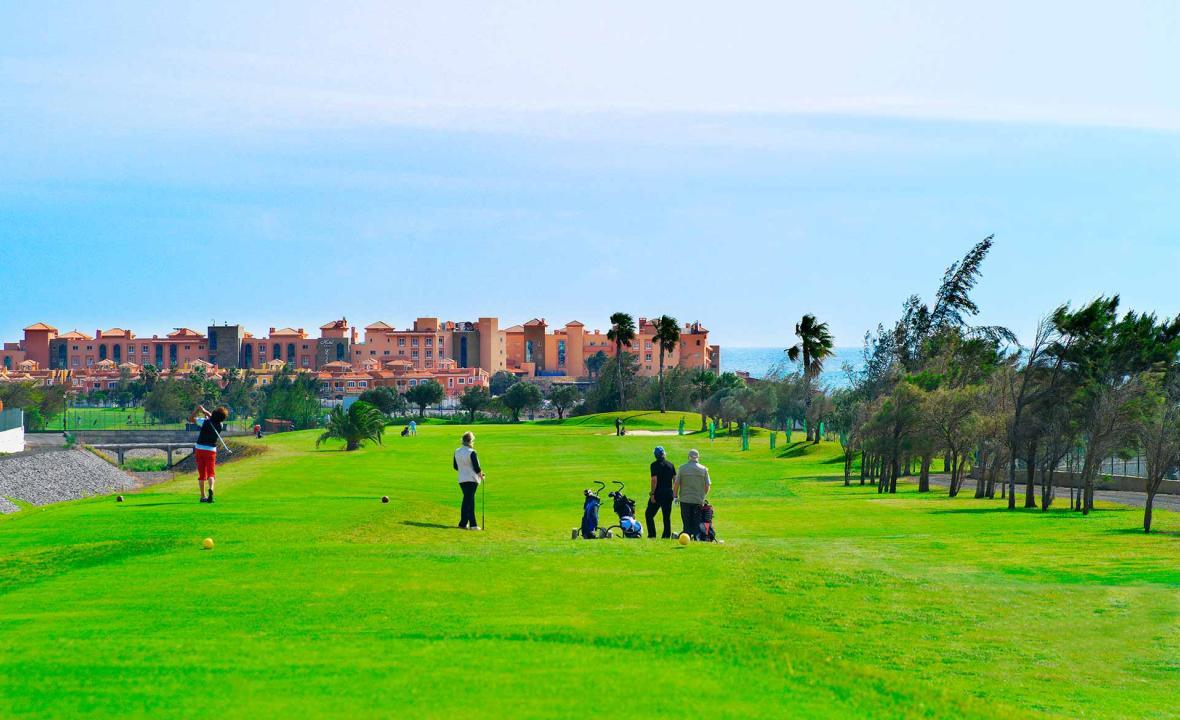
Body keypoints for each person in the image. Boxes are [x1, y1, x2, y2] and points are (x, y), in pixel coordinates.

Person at [188, 404, 229, 504]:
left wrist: (199, 410)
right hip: (211, 450)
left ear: (214, 414)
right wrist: (205, 411)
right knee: (211, 473)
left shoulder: (204, 422)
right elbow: (214, 418)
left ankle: (203, 496)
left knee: (202, 474)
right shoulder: (220, 425)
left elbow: (190, 419)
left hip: (200, 449)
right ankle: (211, 489)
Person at [674, 449, 711, 539]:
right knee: (696, 522)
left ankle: (686, 536)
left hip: (685, 499)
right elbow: (708, 485)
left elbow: (676, 484)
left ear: (688, 457)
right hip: (698, 500)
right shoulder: (704, 469)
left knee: (686, 522)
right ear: (698, 457)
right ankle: (696, 537)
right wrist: (703, 495)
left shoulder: (682, 468)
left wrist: (675, 496)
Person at [452, 431, 484, 530]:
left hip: (462, 479)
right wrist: (481, 475)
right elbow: (476, 467)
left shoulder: (457, 451)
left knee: (468, 500)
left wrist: (464, 470)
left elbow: (455, 466)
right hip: (471, 479)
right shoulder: (472, 452)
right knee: (468, 501)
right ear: (470, 441)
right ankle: (471, 525)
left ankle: (464, 523)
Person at [645, 446, 677, 538]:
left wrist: (652, 494)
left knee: (649, 514)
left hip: (658, 494)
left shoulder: (654, 465)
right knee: (666, 517)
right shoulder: (671, 465)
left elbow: (654, 480)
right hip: (668, 494)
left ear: (655, 455)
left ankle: (652, 534)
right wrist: (674, 493)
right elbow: (675, 480)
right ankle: (666, 535)